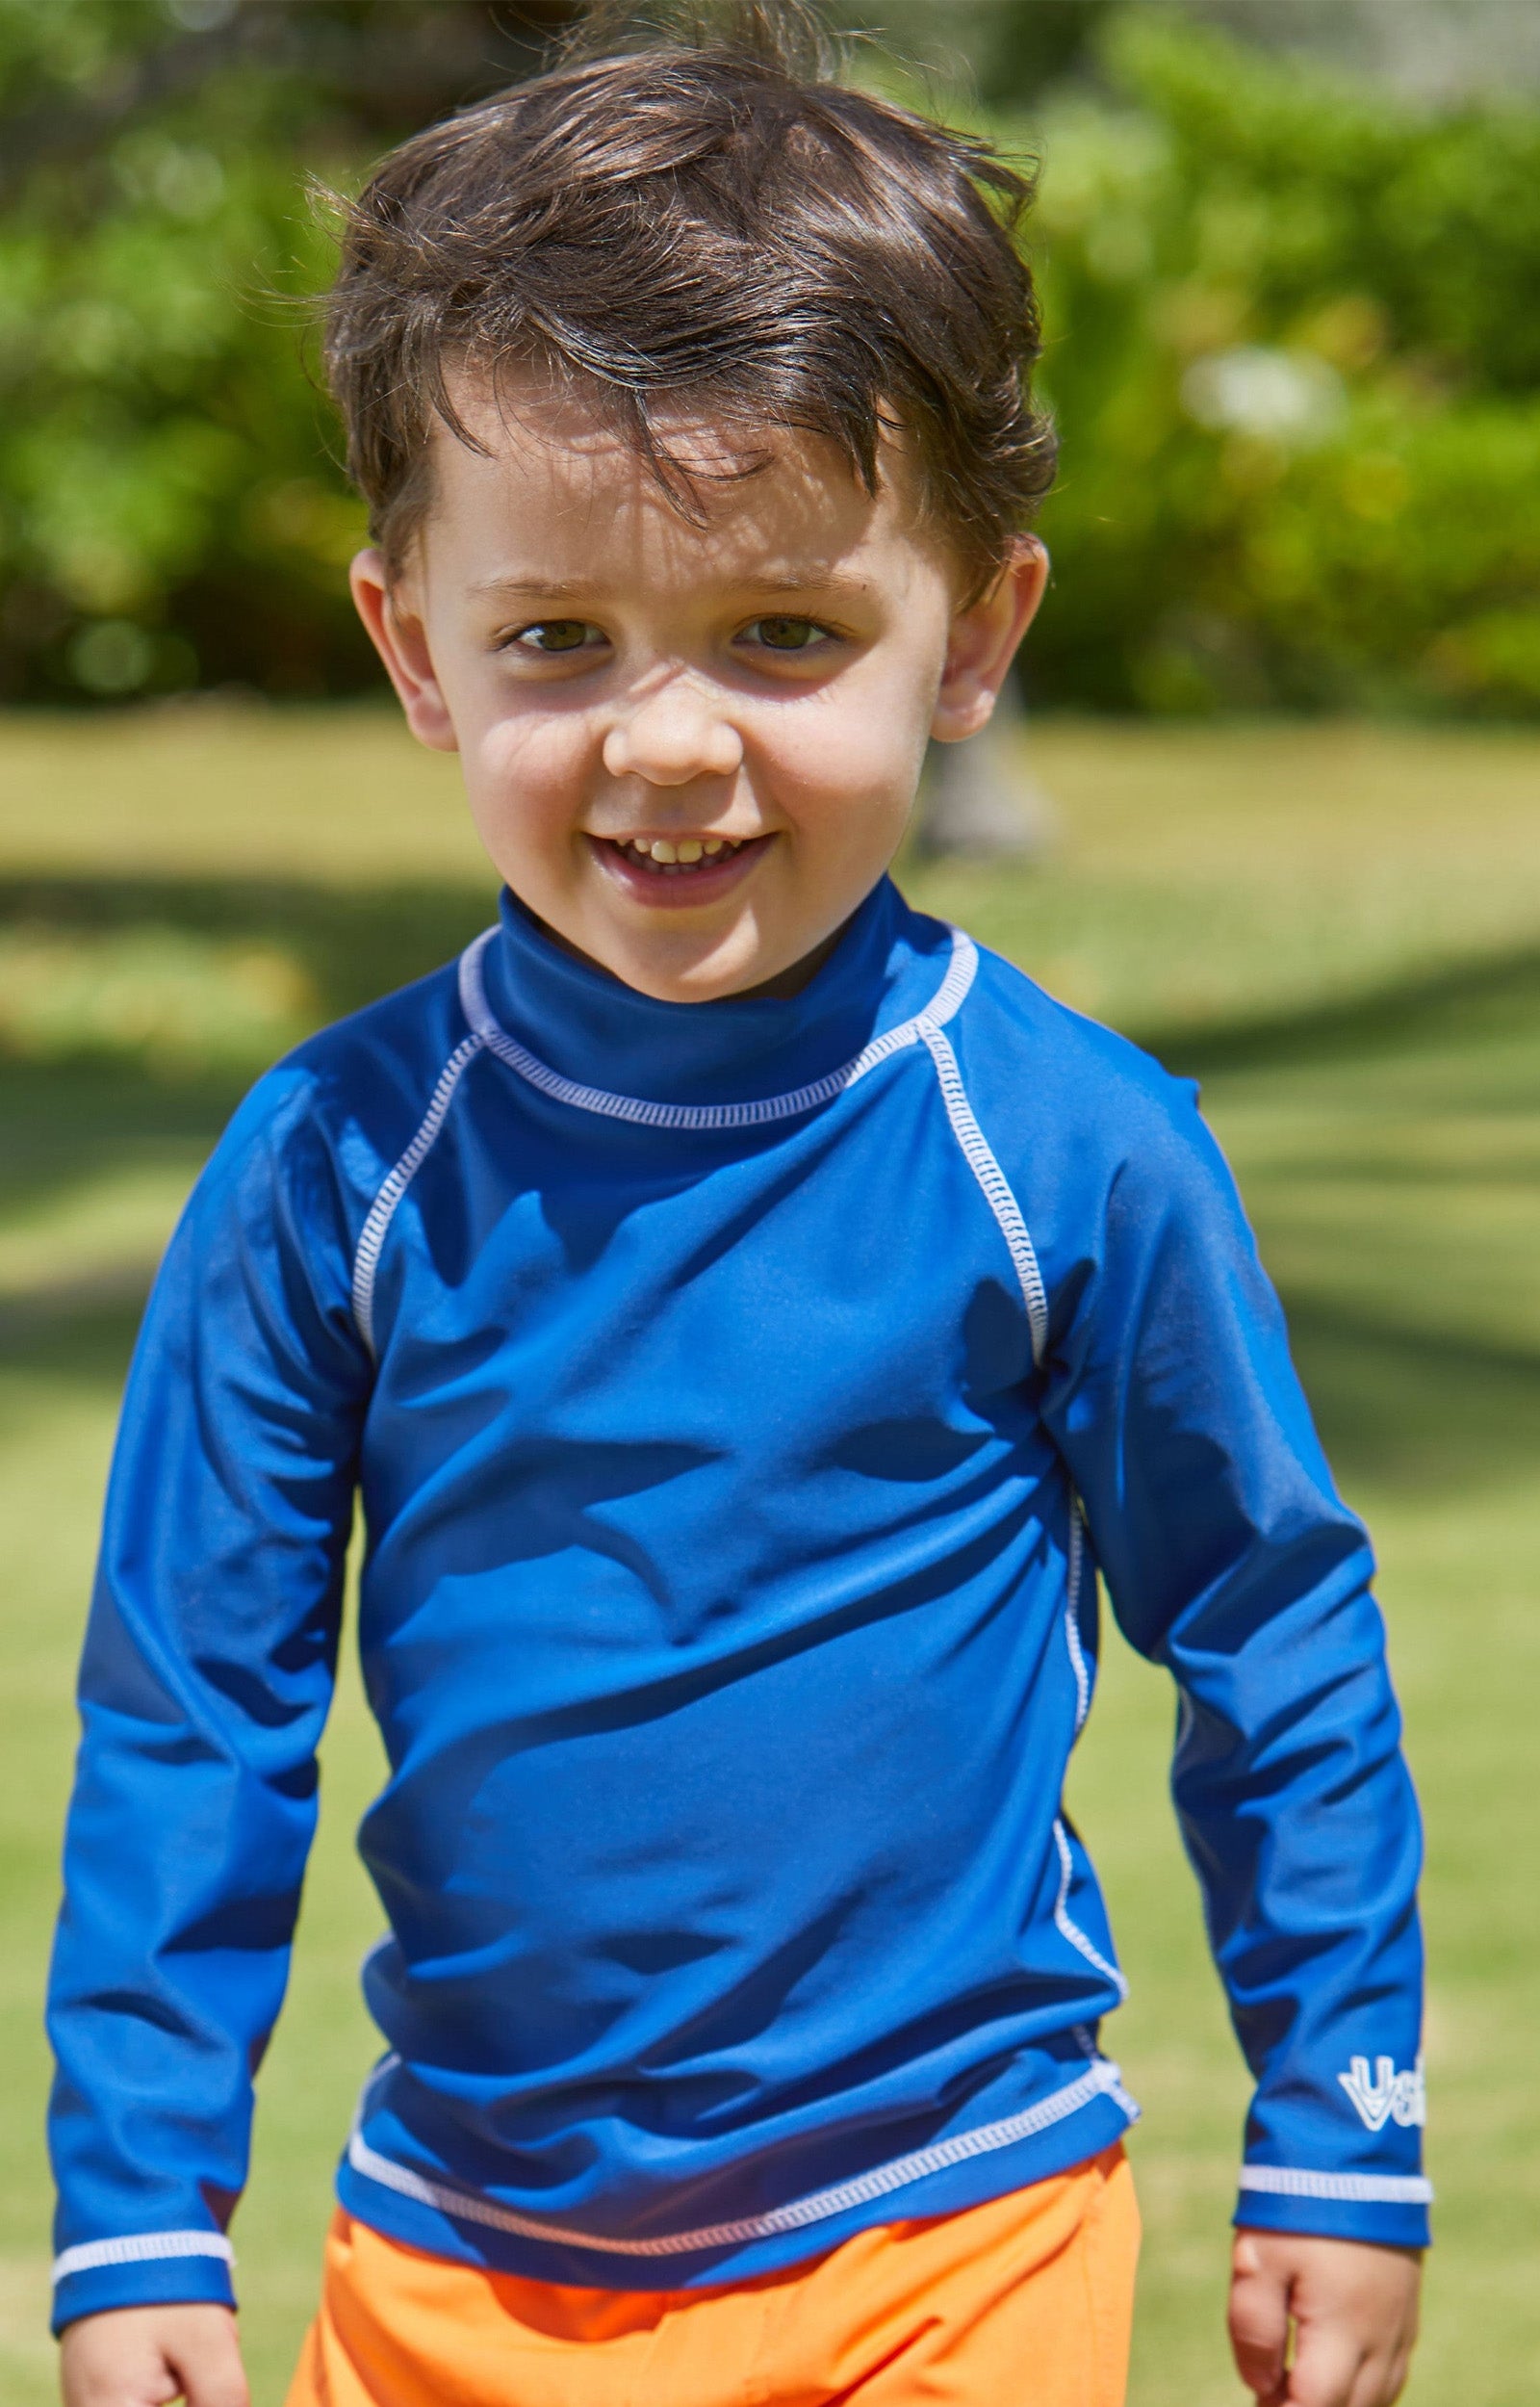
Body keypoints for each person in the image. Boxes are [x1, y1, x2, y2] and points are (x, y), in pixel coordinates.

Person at [47, 9, 1427, 2405]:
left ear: (971, 636)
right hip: (453, 2264)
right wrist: (138, 2211)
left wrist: (1340, 2136)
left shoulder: (1070, 1150)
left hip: (953, 2228)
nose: (667, 740)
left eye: (782, 631)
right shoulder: (327, 1171)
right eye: (555, 638)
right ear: (409, 648)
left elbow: (1275, 1650)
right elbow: (196, 1707)